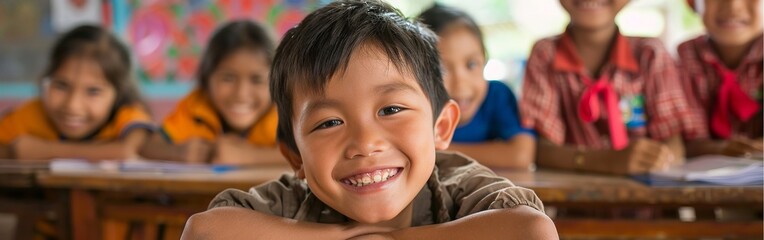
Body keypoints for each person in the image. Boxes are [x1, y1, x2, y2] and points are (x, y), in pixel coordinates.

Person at [181, 1, 557, 239]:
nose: (365, 142)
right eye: (328, 122)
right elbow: (205, 231)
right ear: (295, 156)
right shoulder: (292, 200)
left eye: (391, 110)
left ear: (441, 127)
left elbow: (532, 230)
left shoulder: (457, 186)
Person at [520, 0, 703, 175]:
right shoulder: (545, 55)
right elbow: (541, 150)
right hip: (575, 203)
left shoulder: (650, 54)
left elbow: (673, 142)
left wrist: (655, 159)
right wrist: (606, 161)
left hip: (649, 203)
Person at [0, 25, 152, 160]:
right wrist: (13, 152)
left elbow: (127, 151)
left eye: (93, 91)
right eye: (61, 85)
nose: (73, 106)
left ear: (118, 93)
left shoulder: (127, 116)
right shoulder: (32, 114)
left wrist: (44, 150)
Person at [140, 20, 283, 165]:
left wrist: (248, 157)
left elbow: (302, 156)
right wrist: (178, 152)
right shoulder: (196, 106)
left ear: (277, 82)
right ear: (207, 79)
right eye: (228, 78)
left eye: (257, 80)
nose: (241, 94)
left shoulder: (283, 113)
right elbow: (148, 147)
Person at [418, 4, 536, 169]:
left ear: (485, 60)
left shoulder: (497, 96)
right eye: (441, 69)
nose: (461, 83)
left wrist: (435, 151)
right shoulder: (415, 107)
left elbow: (521, 155)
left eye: (472, 64)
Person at [679, 0, 763, 158]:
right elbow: (685, 142)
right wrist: (721, 149)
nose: (733, 6)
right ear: (693, 3)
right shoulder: (682, 59)